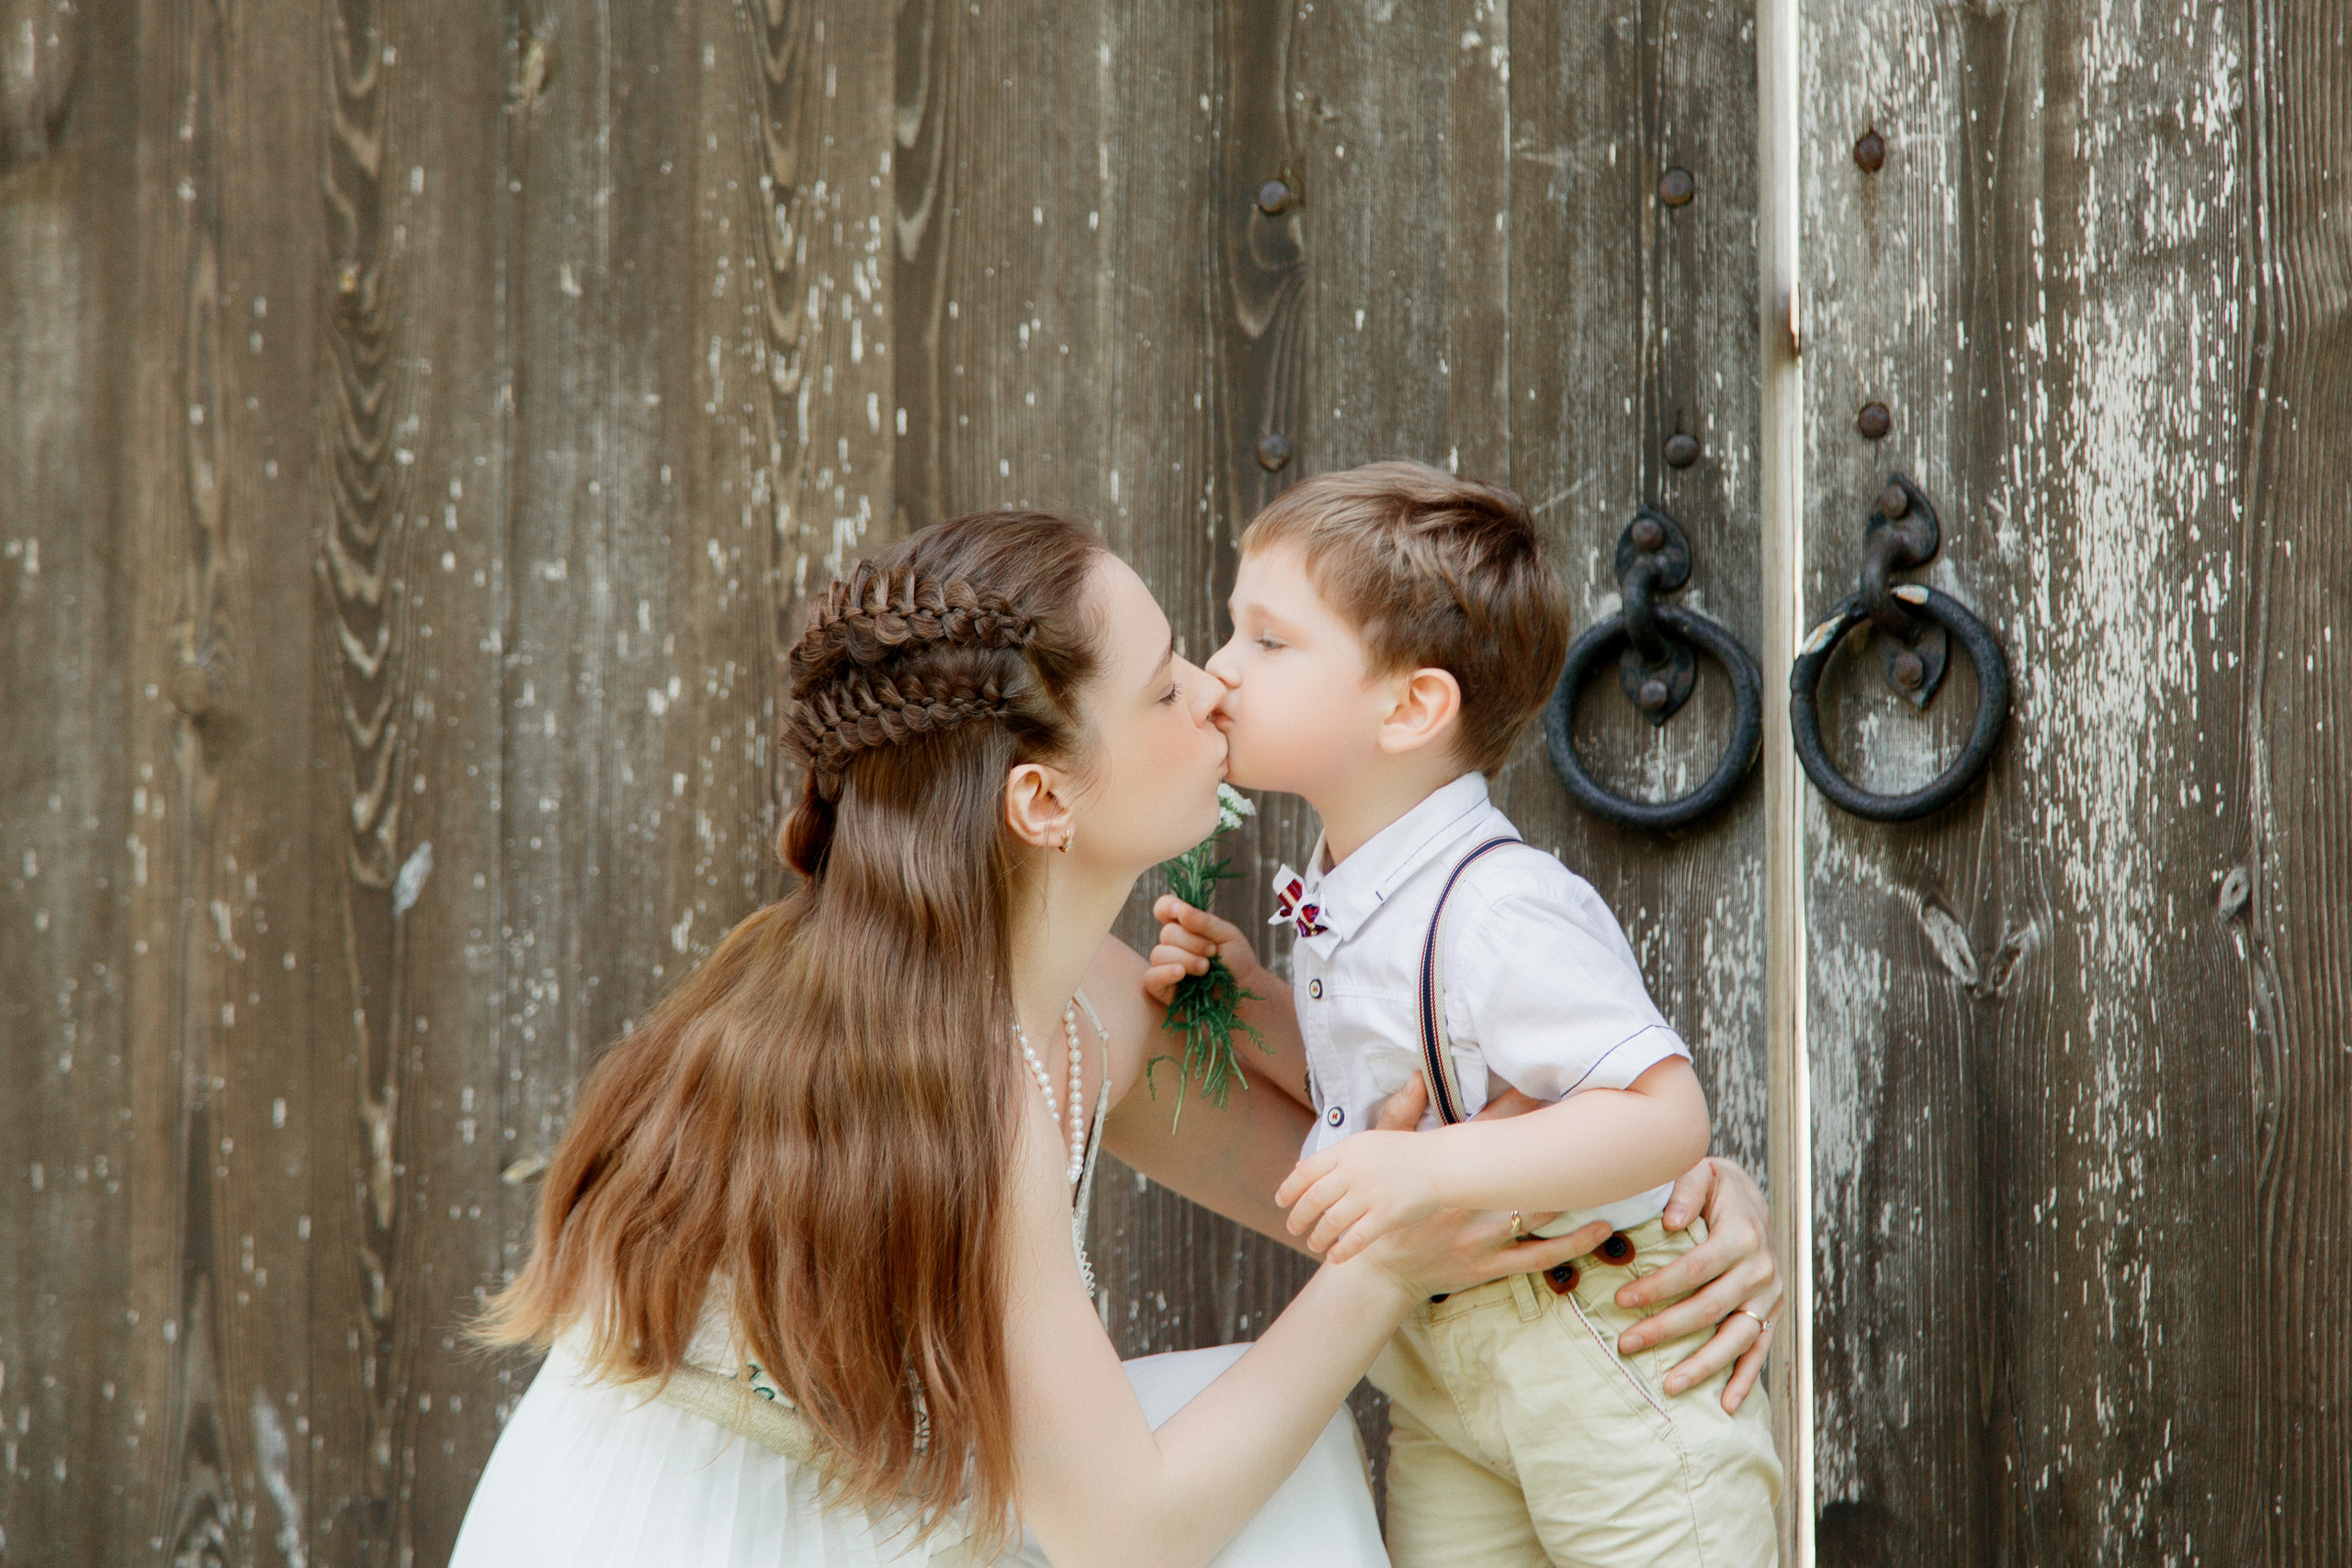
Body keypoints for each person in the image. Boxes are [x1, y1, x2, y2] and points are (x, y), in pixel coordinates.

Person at [450, 510, 1781, 1568]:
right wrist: (1384, 1268)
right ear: (1041, 798)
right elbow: (1130, 1534)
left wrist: (1670, 1194)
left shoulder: (1091, 995)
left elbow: (1362, 1175)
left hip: (910, 1490)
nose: (1214, 691)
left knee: (1272, 1466)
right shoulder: (957, 1085)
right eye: (1162, 688)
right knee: (1261, 1470)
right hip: (719, 1528)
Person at [1147, 461, 1781, 1566]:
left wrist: (1426, 1177)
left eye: (1267, 641)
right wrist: (1249, 999)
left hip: (1607, 1357)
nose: (1217, 671)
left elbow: (1664, 1116)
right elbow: (1389, 1093)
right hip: (1443, 1371)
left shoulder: (1500, 904)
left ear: (1410, 706)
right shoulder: (1348, 888)